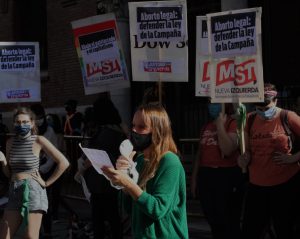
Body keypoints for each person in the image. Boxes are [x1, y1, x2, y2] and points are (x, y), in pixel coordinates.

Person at [102, 104, 189, 239]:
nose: (134, 131)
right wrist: (122, 179)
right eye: (133, 125)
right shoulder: (141, 159)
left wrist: (129, 184)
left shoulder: (170, 162)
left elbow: (158, 209)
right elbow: (130, 208)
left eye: (141, 127)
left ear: (157, 131)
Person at [238, 83, 300, 239]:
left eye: (267, 107)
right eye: (259, 108)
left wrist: (294, 158)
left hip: (285, 185)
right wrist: (242, 160)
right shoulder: (250, 120)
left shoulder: (287, 116)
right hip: (256, 187)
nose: (263, 112)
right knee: (250, 232)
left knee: (285, 230)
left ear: (276, 101)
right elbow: (245, 153)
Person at [0, 107, 69, 239]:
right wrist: (3, 161)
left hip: (32, 190)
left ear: (32, 123)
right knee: (4, 236)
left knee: (31, 237)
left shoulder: (39, 140)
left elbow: (63, 162)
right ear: (14, 123)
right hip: (14, 190)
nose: (22, 125)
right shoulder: (10, 143)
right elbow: (9, 174)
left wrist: (47, 182)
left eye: (25, 122)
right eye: (18, 122)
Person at [191, 102, 244, 239]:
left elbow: (227, 150)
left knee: (228, 220)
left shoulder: (232, 123)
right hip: (206, 176)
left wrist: (220, 125)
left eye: (215, 102)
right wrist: (194, 179)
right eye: (209, 102)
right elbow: (200, 154)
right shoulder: (206, 126)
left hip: (226, 175)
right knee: (212, 218)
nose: (211, 105)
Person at [79, 97, 126, 239]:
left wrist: (82, 169)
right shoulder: (118, 129)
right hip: (110, 180)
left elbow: (95, 154)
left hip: (101, 182)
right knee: (113, 217)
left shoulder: (106, 133)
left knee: (100, 218)